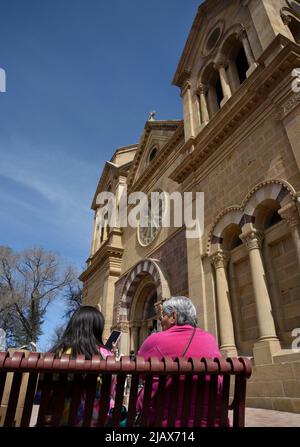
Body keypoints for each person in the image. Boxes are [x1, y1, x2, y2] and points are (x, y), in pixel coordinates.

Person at [136, 296, 224, 427]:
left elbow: (139, 375)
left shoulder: (154, 340)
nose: (160, 322)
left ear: (173, 316)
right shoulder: (210, 339)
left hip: (163, 422)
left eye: (162, 317)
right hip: (210, 422)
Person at [50, 305, 118, 426]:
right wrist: (111, 353)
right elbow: (111, 392)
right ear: (98, 329)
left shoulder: (56, 353)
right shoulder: (106, 356)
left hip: (59, 421)